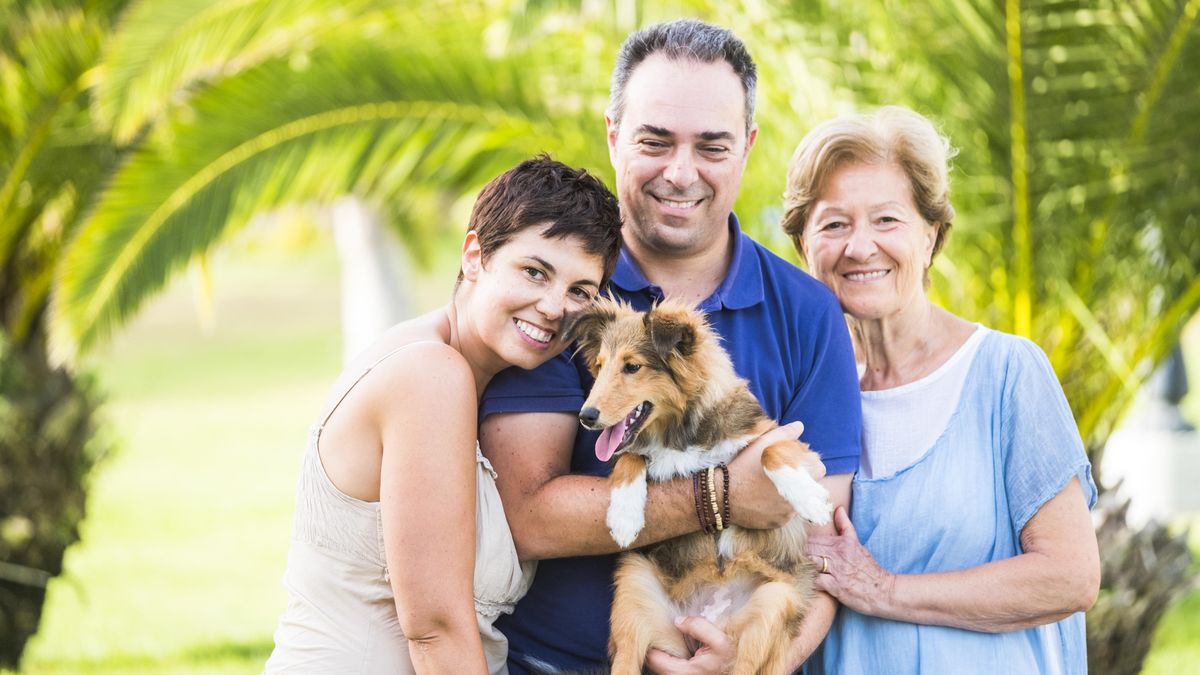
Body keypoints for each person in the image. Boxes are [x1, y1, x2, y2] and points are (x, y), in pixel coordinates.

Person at [479, 19, 864, 674]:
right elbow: (529, 514)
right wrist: (716, 493)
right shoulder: (561, 298)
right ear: (613, 135)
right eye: (655, 141)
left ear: (746, 146)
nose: (681, 173)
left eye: (711, 146)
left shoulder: (809, 312)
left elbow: (824, 540)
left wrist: (761, 661)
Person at [264, 156, 622, 674]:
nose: (552, 306)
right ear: (475, 256)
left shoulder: (475, 382)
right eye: (534, 272)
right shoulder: (431, 374)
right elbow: (435, 629)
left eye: (579, 292)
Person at [782, 106, 1101, 674]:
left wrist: (883, 590)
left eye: (886, 220)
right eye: (834, 224)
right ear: (804, 246)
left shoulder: (1006, 373)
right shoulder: (804, 400)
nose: (860, 247)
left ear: (931, 235)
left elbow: (1070, 575)